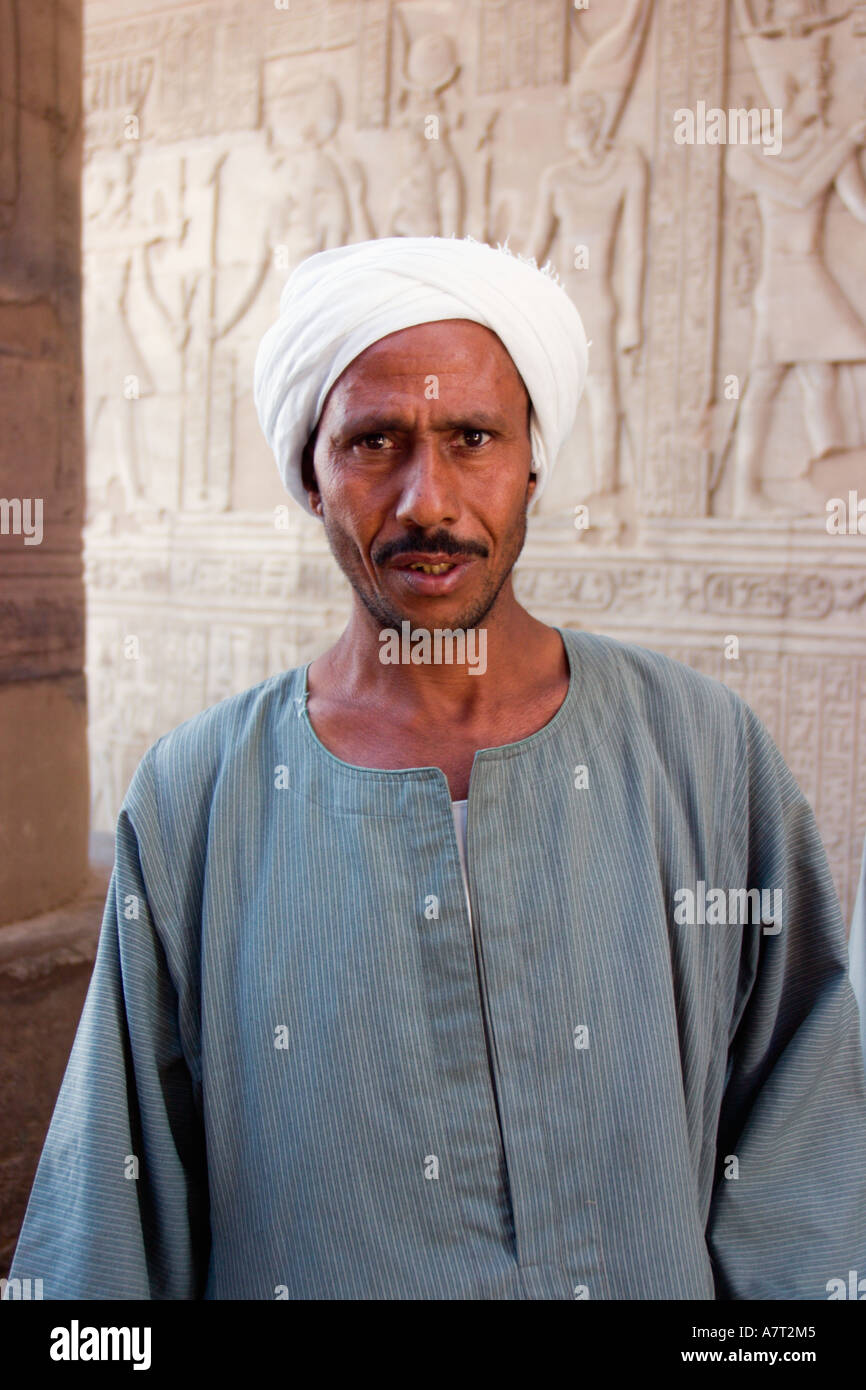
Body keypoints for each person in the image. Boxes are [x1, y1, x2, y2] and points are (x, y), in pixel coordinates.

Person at [6, 237, 866, 1300]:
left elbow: (806, 1138)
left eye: (471, 437)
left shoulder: (699, 751)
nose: (428, 500)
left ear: (529, 466)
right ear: (309, 479)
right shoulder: (196, 800)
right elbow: (114, 1218)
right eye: (373, 441)